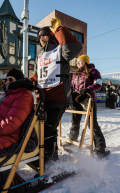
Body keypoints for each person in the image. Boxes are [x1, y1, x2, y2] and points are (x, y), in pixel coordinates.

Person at [29, 17, 82, 161]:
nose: (41, 38)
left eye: (44, 34)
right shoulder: (40, 55)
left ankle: (48, 159)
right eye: (39, 36)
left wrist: (60, 30)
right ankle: (49, 155)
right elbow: (36, 74)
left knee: (48, 129)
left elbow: (75, 47)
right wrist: (29, 82)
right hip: (43, 98)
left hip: (58, 97)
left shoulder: (60, 49)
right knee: (41, 129)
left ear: (51, 35)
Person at [69, 55, 107, 155]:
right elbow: (72, 87)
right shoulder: (75, 74)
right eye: (77, 62)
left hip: (88, 100)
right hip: (77, 100)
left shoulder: (93, 71)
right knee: (75, 122)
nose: (78, 63)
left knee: (92, 124)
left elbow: (98, 84)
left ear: (85, 62)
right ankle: (71, 142)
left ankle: (100, 147)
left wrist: (88, 89)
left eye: (80, 61)